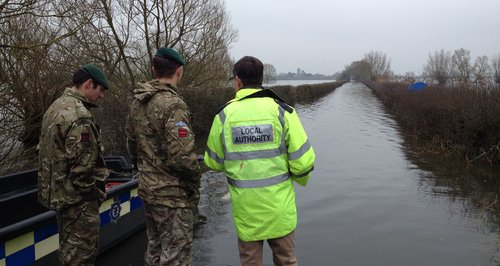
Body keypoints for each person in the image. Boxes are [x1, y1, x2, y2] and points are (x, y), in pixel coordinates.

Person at [204, 56, 316, 266]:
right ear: (261, 78)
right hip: (279, 209)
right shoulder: (283, 112)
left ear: (238, 81)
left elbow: (213, 162)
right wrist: (298, 179)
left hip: (247, 213)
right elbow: (304, 162)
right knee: (286, 262)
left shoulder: (224, 116)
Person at [125, 47, 201, 265]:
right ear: (180, 71)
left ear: (153, 69)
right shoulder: (174, 105)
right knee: (175, 254)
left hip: (148, 189)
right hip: (172, 195)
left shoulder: (137, 102)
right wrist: (195, 183)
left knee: (155, 249)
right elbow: (184, 158)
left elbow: (131, 145)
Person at [37, 64, 110, 265]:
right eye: (100, 90)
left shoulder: (56, 106)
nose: (101, 96)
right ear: (88, 84)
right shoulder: (79, 115)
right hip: (78, 202)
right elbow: (82, 169)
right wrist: (93, 196)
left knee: (69, 253)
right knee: (81, 258)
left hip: (60, 195)